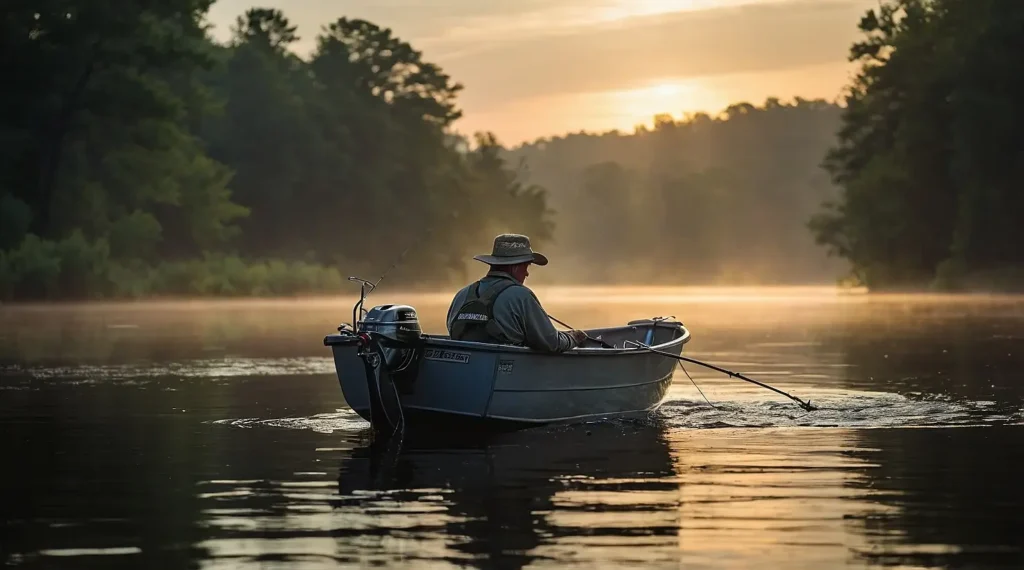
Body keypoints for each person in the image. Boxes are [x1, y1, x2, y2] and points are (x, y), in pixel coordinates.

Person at [446, 234, 589, 352]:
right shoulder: (522, 296)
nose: (527, 273)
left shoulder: (462, 294)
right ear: (515, 267)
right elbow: (551, 343)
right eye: (526, 267)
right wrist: (574, 338)